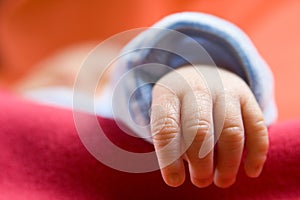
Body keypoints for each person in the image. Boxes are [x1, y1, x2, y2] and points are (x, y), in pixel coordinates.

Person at [14, 12, 276, 189]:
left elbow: (132, 88)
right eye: (53, 76)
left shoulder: (107, 108)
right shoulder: (18, 104)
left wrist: (194, 71)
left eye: (95, 74)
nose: (71, 81)